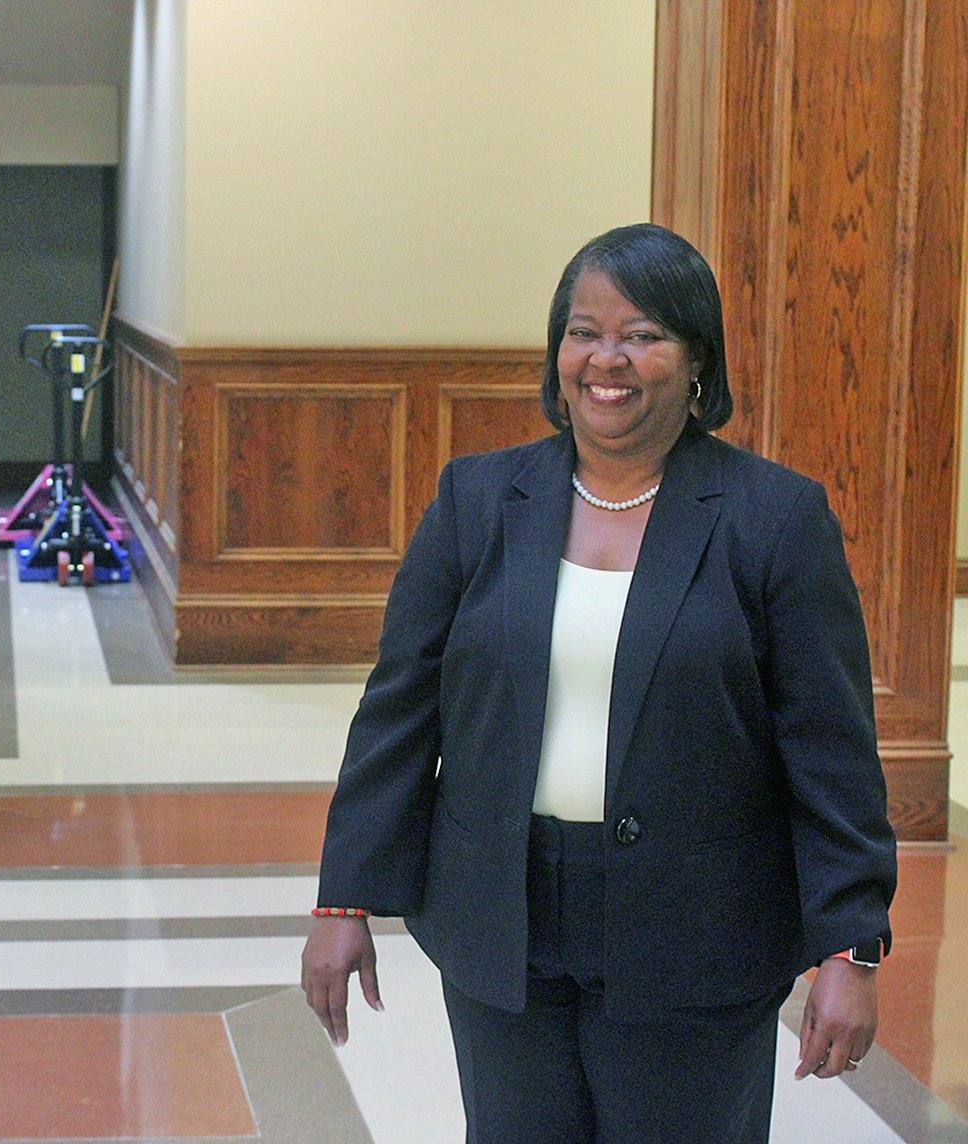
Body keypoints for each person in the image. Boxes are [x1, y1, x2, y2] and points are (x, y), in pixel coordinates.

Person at [301, 223, 897, 1142]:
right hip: (503, 924)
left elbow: (831, 751)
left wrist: (849, 947)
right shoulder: (477, 501)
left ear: (697, 361)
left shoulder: (775, 518)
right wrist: (344, 898)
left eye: (643, 335)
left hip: (700, 934)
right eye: (584, 332)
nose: (606, 360)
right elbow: (398, 714)